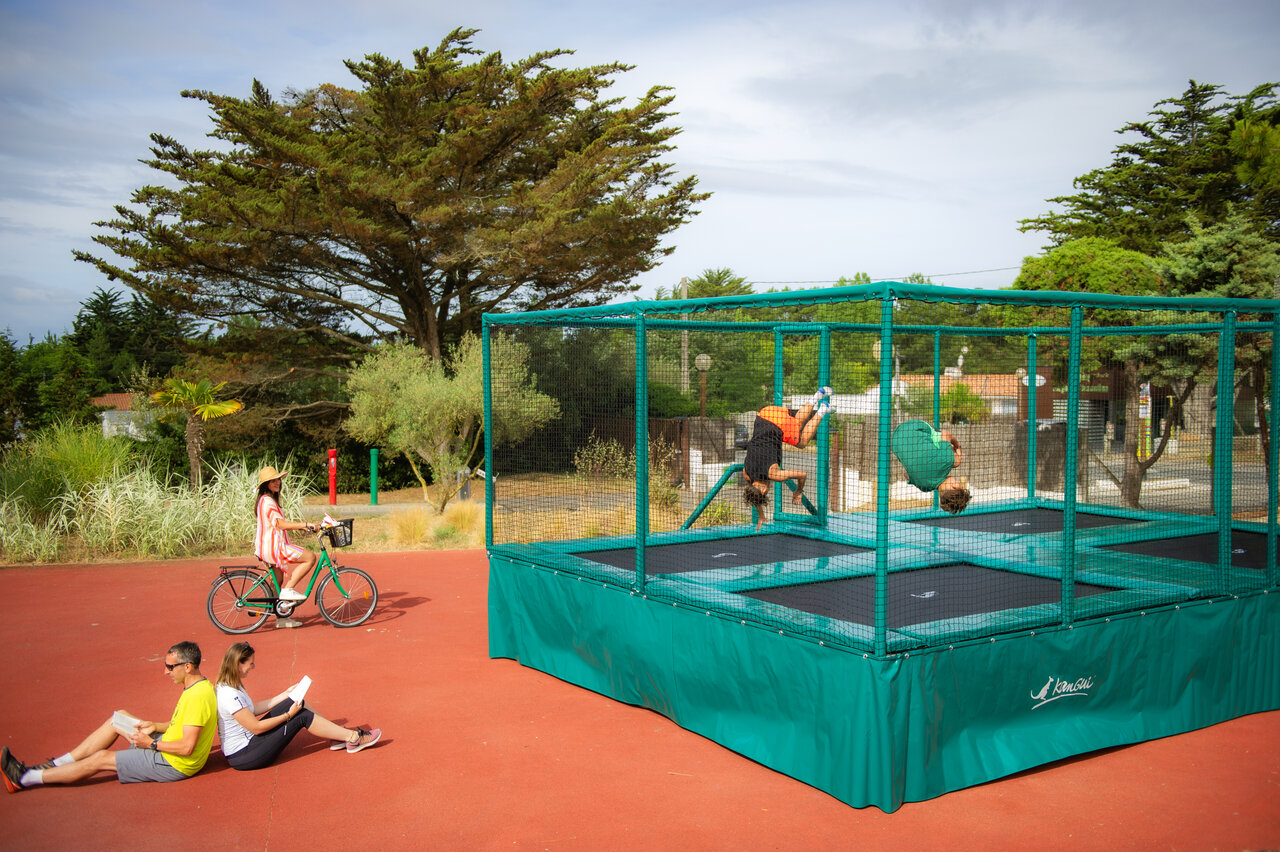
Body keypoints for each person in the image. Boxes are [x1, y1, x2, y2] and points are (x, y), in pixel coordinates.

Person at [2, 641, 217, 792]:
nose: (165, 671)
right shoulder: (197, 686)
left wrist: (150, 744)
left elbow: (186, 747)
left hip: (174, 763)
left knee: (100, 758)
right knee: (119, 717)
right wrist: (155, 726)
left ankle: (24, 779)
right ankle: (57, 764)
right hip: (166, 745)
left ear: (187, 667)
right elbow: (183, 723)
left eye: (170, 667)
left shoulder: (197, 696)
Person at [215, 642, 381, 769]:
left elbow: (253, 709)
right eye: (250, 664)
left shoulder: (230, 684)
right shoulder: (230, 695)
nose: (253, 667)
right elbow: (256, 727)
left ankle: (338, 736)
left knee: (296, 702)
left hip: (249, 745)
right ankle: (353, 738)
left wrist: (286, 694)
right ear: (238, 664)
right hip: (244, 755)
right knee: (300, 715)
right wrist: (288, 715)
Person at [742, 387, 834, 530]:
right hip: (765, 414)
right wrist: (761, 516)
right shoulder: (747, 474)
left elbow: (802, 474)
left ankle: (823, 408)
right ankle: (817, 396)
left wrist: (798, 491)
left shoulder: (774, 474)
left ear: (764, 491)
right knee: (796, 424)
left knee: (802, 442)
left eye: (767, 491)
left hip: (777, 424)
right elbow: (755, 497)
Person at [255, 465, 317, 628]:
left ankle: (281, 617)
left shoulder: (266, 500)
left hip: (267, 546)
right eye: (272, 481)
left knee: (277, 580)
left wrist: (302, 527)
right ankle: (289, 590)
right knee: (310, 557)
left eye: (278, 480)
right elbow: (280, 524)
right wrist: (303, 524)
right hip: (274, 547)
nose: (277, 483)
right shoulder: (268, 501)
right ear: (265, 484)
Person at [890, 419, 971, 514]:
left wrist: (957, 445)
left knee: (951, 454)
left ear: (953, 487)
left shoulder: (948, 461)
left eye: (958, 484)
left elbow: (945, 434)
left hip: (912, 427)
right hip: (894, 440)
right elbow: (906, 475)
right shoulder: (924, 488)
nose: (957, 481)